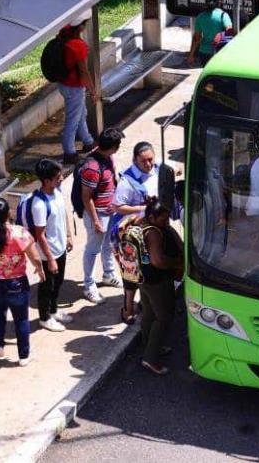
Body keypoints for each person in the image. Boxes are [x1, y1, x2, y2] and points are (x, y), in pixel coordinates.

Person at [0, 198, 45, 367]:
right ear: (9, 213)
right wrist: (40, 270)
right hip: (15, 283)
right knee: (21, 319)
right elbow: (35, 257)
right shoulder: (19, 233)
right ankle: (23, 355)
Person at [111, 141, 159, 323]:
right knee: (131, 273)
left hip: (149, 232)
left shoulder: (157, 170)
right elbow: (117, 206)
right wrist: (142, 208)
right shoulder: (127, 181)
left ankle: (145, 304)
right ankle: (128, 308)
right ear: (135, 160)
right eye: (143, 161)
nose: (148, 164)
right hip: (130, 237)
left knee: (147, 269)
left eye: (150, 160)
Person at [138, 198, 183, 375]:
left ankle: (149, 345)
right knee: (164, 317)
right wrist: (176, 263)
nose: (166, 223)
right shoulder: (155, 233)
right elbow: (158, 261)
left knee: (149, 313)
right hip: (157, 281)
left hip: (142, 277)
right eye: (163, 220)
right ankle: (150, 358)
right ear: (152, 217)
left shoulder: (141, 224)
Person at [81, 127, 124, 304]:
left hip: (110, 211)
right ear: (112, 147)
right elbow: (86, 197)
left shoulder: (107, 158)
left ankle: (108, 274)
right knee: (93, 250)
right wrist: (96, 221)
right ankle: (89, 285)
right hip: (97, 215)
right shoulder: (92, 167)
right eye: (118, 144)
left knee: (108, 245)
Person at [32, 158, 74, 333]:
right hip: (48, 253)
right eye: (58, 177)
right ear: (47, 180)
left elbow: (63, 213)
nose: (62, 179)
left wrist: (69, 235)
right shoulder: (39, 204)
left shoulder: (56, 192)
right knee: (46, 286)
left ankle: (54, 310)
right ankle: (44, 317)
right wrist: (49, 260)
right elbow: (39, 235)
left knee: (58, 283)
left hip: (60, 248)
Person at [57, 10, 97, 165]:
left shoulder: (63, 34)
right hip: (74, 87)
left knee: (80, 113)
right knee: (72, 120)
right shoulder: (78, 46)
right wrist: (93, 90)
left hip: (63, 84)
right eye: (84, 24)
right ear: (80, 27)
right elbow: (84, 71)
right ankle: (69, 152)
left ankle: (88, 140)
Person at [187, 0, 233, 67]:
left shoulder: (200, 17)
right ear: (219, 2)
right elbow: (229, 32)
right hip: (219, 52)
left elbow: (196, 38)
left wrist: (191, 55)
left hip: (204, 53)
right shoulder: (223, 16)